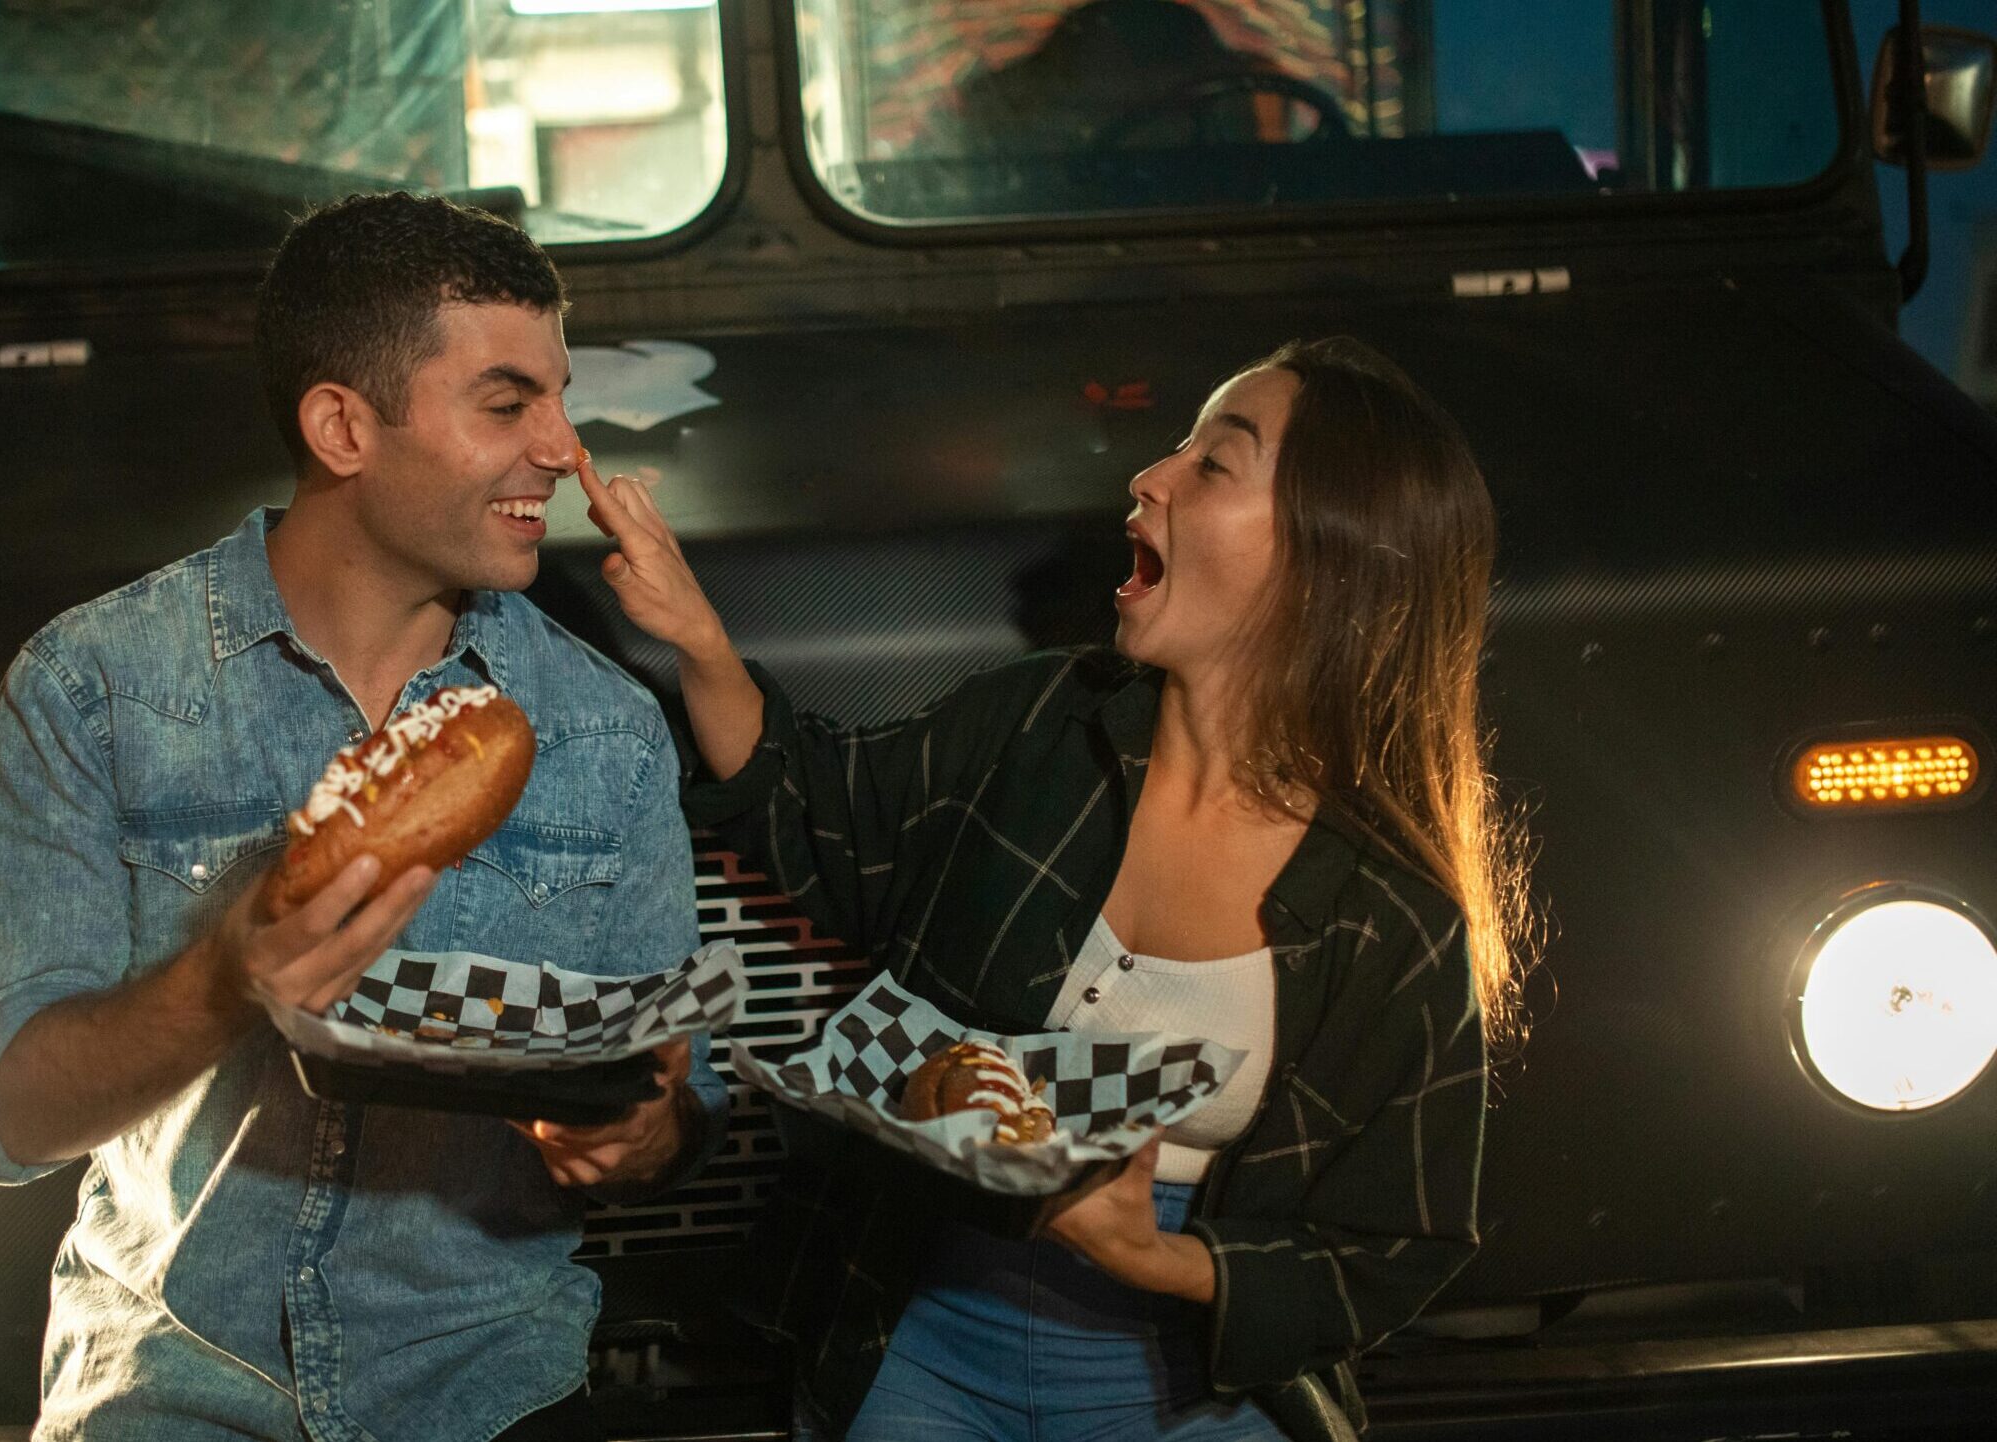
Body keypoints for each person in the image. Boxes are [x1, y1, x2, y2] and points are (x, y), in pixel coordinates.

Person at [577, 336, 1528, 1442]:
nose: (1149, 475)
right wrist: (697, 634)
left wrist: (1157, 1252)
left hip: (1186, 1389)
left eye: (1213, 463)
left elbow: (1390, 1246)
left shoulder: (1392, 915)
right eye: (1175, 445)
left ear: (1327, 559)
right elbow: (817, 818)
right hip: (920, 1338)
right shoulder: (1041, 722)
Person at [0, 191, 725, 1442]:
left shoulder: (602, 726)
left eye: (558, 397)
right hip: (167, 1389)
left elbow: (682, 1113)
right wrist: (227, 974)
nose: (565, 448)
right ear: (343, 426)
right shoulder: (91, 687)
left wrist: (636, 1127)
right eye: (509, 402)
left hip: (491, 1390)